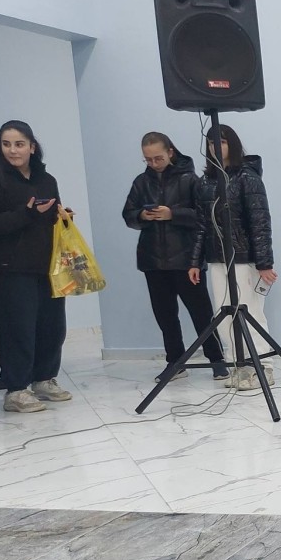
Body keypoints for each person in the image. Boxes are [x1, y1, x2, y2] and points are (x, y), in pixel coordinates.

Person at [0, 120, 71, 413]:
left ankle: (44, 379)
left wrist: (62, 217)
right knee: (19, 328)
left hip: (47, 264)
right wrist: (27, 213)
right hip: (9, 266)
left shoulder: (46, 179)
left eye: (19, 144)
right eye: (6, 144)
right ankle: (16, 389)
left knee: (53, 326)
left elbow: (50, 216)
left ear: (32, 147)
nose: (12, 150)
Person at [123, 131, 228, 382]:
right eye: (148, 159)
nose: (153, 163)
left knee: (201, 314)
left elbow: (205, 217)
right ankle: (175, 362)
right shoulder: (141, 182)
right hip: (153, 261)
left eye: (158, 158)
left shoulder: (190, 180)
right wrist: (141, 216)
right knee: (165, 316)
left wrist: (173, 214)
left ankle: (217, 360)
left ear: (170, 152)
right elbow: (128, 214)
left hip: (186, 260)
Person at [189, 124, 277, 389]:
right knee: (224, 314)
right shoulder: (205, 182)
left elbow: (260, 223)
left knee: (251, 313)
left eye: (222, 142)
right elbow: (201, 225)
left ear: (233, 145)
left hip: (244, 259)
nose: (216, 147)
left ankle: (263, 367)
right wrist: (195, 261)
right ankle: (238, 366)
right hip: (217, 259)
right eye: (211, 143)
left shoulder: (248, 178)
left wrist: (264, 263)